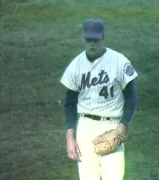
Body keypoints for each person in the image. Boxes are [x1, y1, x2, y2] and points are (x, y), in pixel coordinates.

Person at [59, 18, 138, 180]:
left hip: (112, 126)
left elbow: (131, 97)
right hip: (85, 127)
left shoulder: (119, 61)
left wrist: (123, 126)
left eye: (95, 40)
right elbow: (70, 104)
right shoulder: (76, 65)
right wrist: (70, 137)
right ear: (84, 39)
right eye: (88, 40)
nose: (92, 44)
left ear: (103, 38)